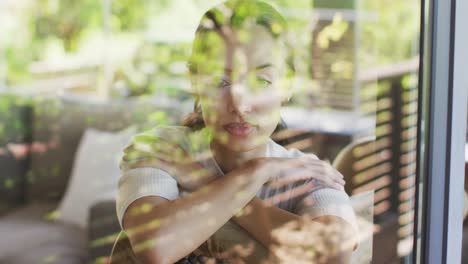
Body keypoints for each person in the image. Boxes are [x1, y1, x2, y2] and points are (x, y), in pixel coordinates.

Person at [116, 1, 358, 263]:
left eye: (261, 81)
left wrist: (203, 178)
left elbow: (334, 255)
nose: (240, 104)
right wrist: (254, 175)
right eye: (219, 81)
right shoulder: (162, 150)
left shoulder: (305, 174)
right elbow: (157, 249)